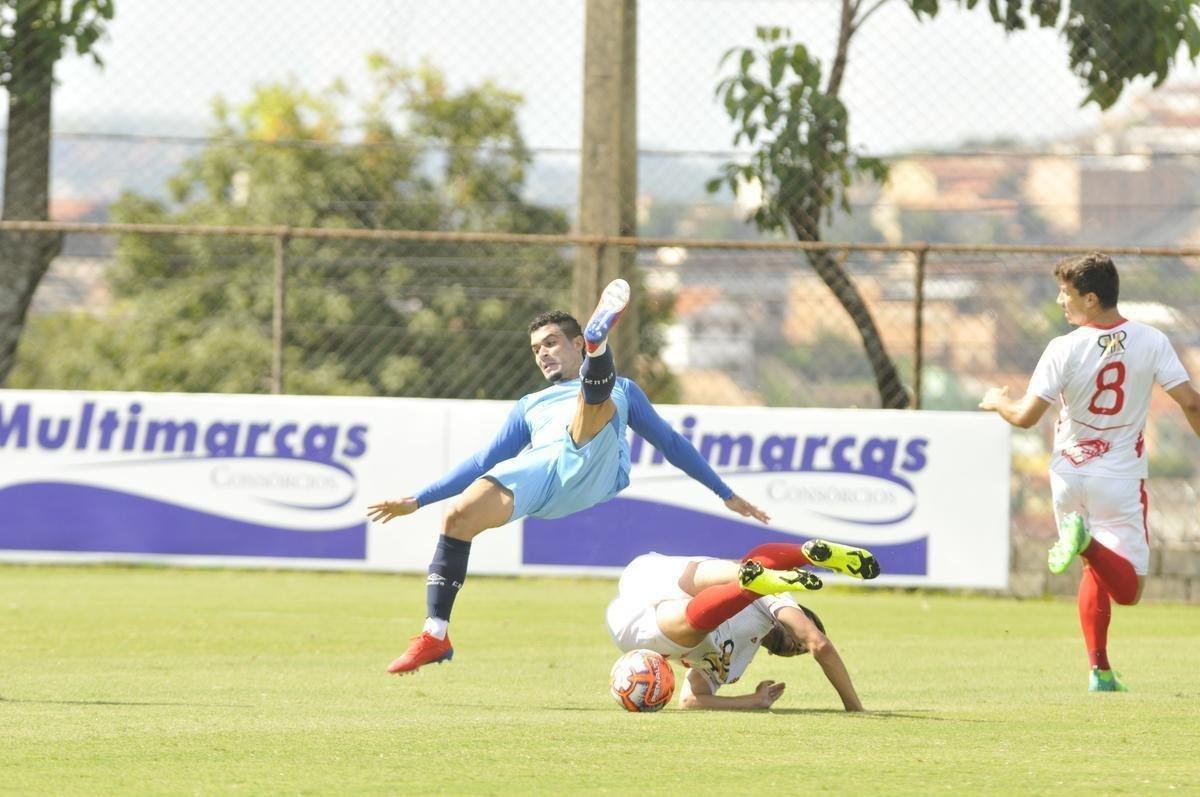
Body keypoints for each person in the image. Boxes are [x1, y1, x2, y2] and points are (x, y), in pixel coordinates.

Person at [368, 278, 772, 674]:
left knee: (594, 407)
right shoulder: (529, 405)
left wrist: (724, 492)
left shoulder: (626, 391)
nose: (541, 353)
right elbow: (482, 461)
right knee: (458, 517)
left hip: (597, 467)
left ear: (576, 343)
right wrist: (417, 500)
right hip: (543, 475)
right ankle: (435, 634)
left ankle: (600, 355)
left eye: (550, 343)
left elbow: (670, 442)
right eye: (535, 349)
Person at [979, 252, 1200, 692]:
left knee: (1092, 570)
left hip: (1068, 476)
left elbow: (1024, 417)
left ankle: (1099, 671)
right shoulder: (1152, 340)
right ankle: (1087, 545)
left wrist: (995, 401)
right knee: (1129, 589)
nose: (1061, 300)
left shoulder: (1063, 348)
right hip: (1118, 479)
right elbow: (1191, 402)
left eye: (1068, 293)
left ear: (1092, 298)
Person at [607, 539, 877, 710]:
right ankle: (781, 566)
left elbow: (690, 700)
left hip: (638, 623)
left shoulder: (735, 667)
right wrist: (855, 709)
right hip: (656, 584)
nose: (799, 647)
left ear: (772, 653)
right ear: (796, 614)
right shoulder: (778, 601)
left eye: (799, 652)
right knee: (710, 587)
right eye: (802, 634)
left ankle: (772, 570)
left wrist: (754, 701)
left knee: (694, 617)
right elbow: (818, 644)